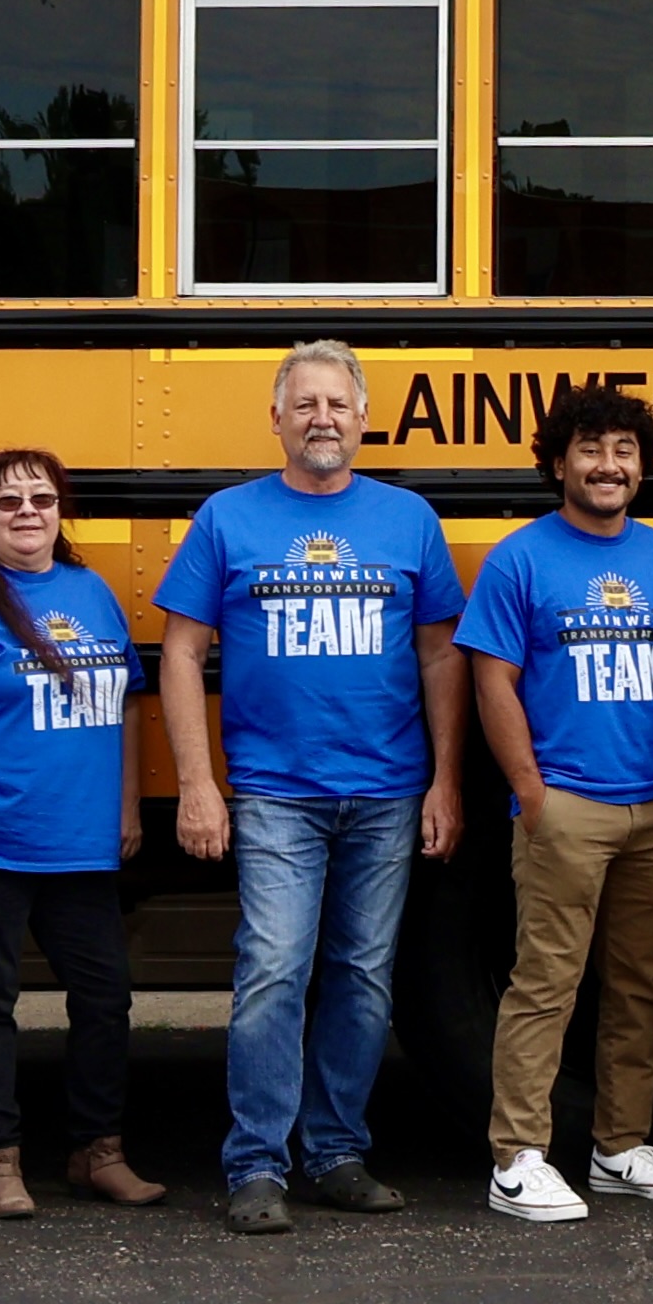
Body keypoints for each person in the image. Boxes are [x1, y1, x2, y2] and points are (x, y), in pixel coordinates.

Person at [156, 340, 465, 1234]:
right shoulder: (227, 517)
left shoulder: (407, 519)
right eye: (305, 404)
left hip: (387, 787)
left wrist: (446, 780)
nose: (321, 417)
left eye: (337, 403)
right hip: (273, 790)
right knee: (272, 973)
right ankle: (255, 1163)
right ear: (277, 419)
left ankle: (336, 1151)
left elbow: (440, 651)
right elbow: (180, 652)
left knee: (364, 977)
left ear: (363, 419)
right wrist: (196, 783)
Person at [456, 383, 653, 1223]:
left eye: (625, 452)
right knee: (546, 983)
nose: (609, 465)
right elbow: (489, 677)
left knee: (640, 984)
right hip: (566, 803)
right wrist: (531, 792)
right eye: (592, 449)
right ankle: (517, 1157)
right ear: (558, 461)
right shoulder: (521, 558)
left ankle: (618, 1146)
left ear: (642, 467)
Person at [0, 451, 161, 1219]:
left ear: (60, 511)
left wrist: (128, 809)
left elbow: (128, 703)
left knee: (106, 997)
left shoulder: (93, 594)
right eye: (7, 499)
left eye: (41, 499)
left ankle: (97, 1150)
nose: (26, 511)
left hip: (79, 841)